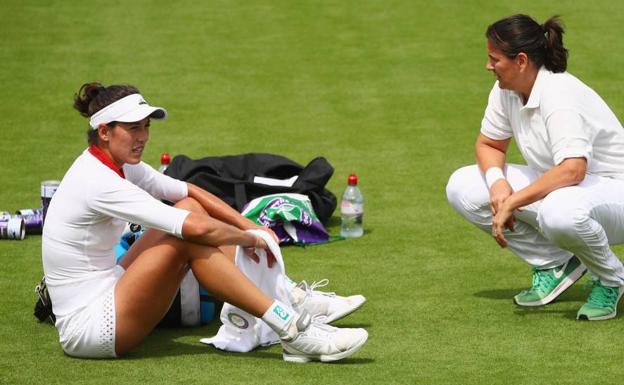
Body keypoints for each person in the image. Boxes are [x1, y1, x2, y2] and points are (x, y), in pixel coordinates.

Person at [42, 82, 368, 360]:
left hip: (110, 286)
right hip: (89, 328)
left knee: (188, 206)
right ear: (104, 132)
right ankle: (291, 328)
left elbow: (187, 191)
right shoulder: (98, 182)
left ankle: (286, 295)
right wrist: (253, 239)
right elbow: (194, 229)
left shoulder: (118, 162)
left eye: (146, 126)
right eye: (133, 128)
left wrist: (246, 224)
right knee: (186, 237)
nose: (143, 137)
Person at [446, 14, 624, 320]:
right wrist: (498, 184)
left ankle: (611, 278)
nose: (488, 66)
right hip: (568, 187)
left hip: (613, 192)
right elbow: (488, 145)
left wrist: (513, 200)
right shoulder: (506, 90)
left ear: (521, 61)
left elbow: (573, 170)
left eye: (494, 59)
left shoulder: (559, 93)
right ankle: (555, 263)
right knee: (463, 186)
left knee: (560, 212)